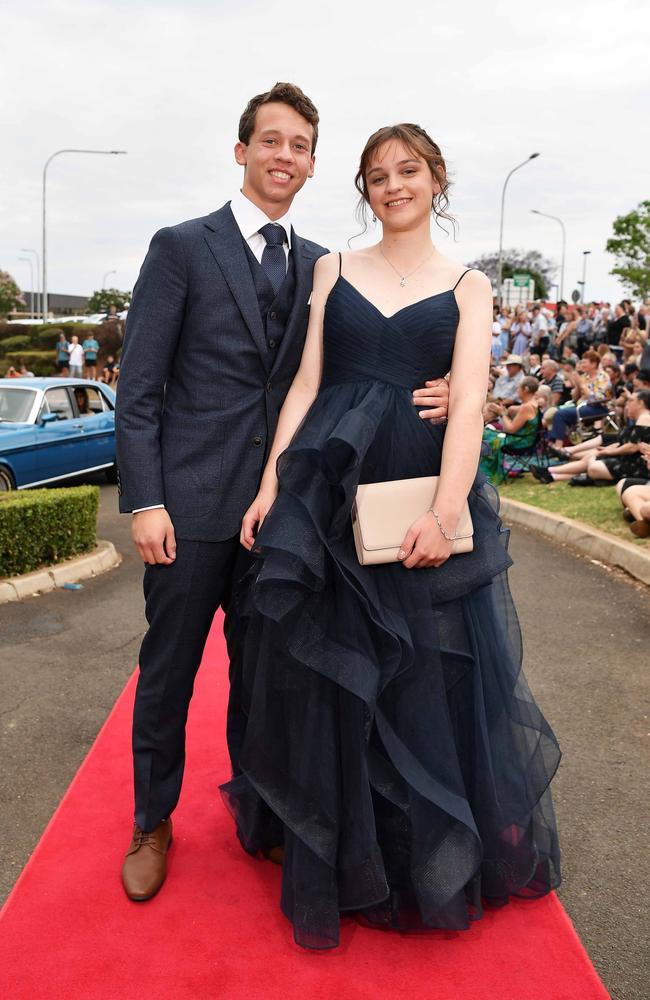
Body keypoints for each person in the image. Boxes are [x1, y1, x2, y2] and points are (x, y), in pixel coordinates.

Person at [221, 123, 561, 950]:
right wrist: (273, 484)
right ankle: (340, 850)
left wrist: (446, 518)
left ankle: (420, 856)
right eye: (376, 175)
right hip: (333, 491)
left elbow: (471, 402)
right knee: (330, 672)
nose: (393, 185)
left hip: (418, 489)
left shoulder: (470, 285)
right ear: (364, 190)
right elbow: (305, 387)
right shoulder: (333, 270)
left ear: (436, 179)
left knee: (424, 671)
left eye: (408, 171)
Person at [115, 85, 450, 904]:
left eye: (300, 146)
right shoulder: (181, 247)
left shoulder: (323, 266)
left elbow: (348, 367)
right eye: (271, 141)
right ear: (242, 151)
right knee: (169, 671)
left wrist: (436, 382)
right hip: (189, 507)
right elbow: (139, 385)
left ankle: (260, 812)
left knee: (270, 679)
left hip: (285, 513)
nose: (284, 157)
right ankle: (151, 822)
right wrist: (145, 499)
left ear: (310, 162)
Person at [533, 390, 650, 484]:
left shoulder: (645, 418)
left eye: (631, 401)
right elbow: (623, 442)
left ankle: (552, 472)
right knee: (592, 460)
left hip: (637, 466)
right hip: (626, 460)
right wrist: (608, 450)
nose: (628, 404)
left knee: (593, 466)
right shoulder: (640, 419)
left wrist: (609, 452)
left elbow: (633, 447)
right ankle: (551, 474)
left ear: (641, 403)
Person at [480, 376, 540, 482]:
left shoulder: (527, 407)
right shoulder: (533, 403)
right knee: (488, 433)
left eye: (518, 388)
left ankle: (482, 471)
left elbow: (511, 429)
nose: (517, 391)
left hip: (520, 442)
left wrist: (501, 414)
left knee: (484, 434)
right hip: (527, 439)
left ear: (525, 389)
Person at [548, 350, 612, 446]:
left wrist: (581, 384)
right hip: (581, 405)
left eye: (584, 362)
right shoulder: (584, 377)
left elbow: (597, 398)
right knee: (552, 412)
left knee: (560, 414)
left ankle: (558, 446)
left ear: (594, 364)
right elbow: (575, 397)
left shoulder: (603, 377)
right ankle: (551, 443)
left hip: (597, 408)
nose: (582, 364)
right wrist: (577, 385)